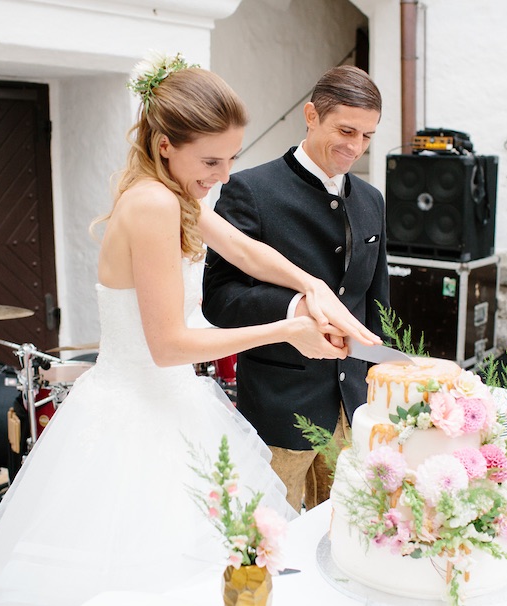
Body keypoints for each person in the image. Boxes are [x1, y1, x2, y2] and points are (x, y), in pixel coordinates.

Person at [0, 54, 379, 605]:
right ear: (165, 145)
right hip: (136, 415)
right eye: (212, 159)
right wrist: (285, 327)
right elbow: (169, 346)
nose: (224, 174)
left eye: (232, 157)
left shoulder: (175, 193)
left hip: (177, 406)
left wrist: (314, 289)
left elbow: (245, 249)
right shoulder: (153, 204)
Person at [202, 65, 389, 512]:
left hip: (353, 411)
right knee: (272, 540)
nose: (354, 147)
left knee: (347, 532)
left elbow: (376, 301)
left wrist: (383, 385)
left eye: (366, 136)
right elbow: (219, 300)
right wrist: (295, 308)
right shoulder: (250, 189)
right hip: (279, 410)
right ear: (311, 114)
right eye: (346, 130)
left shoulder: (372, 200)